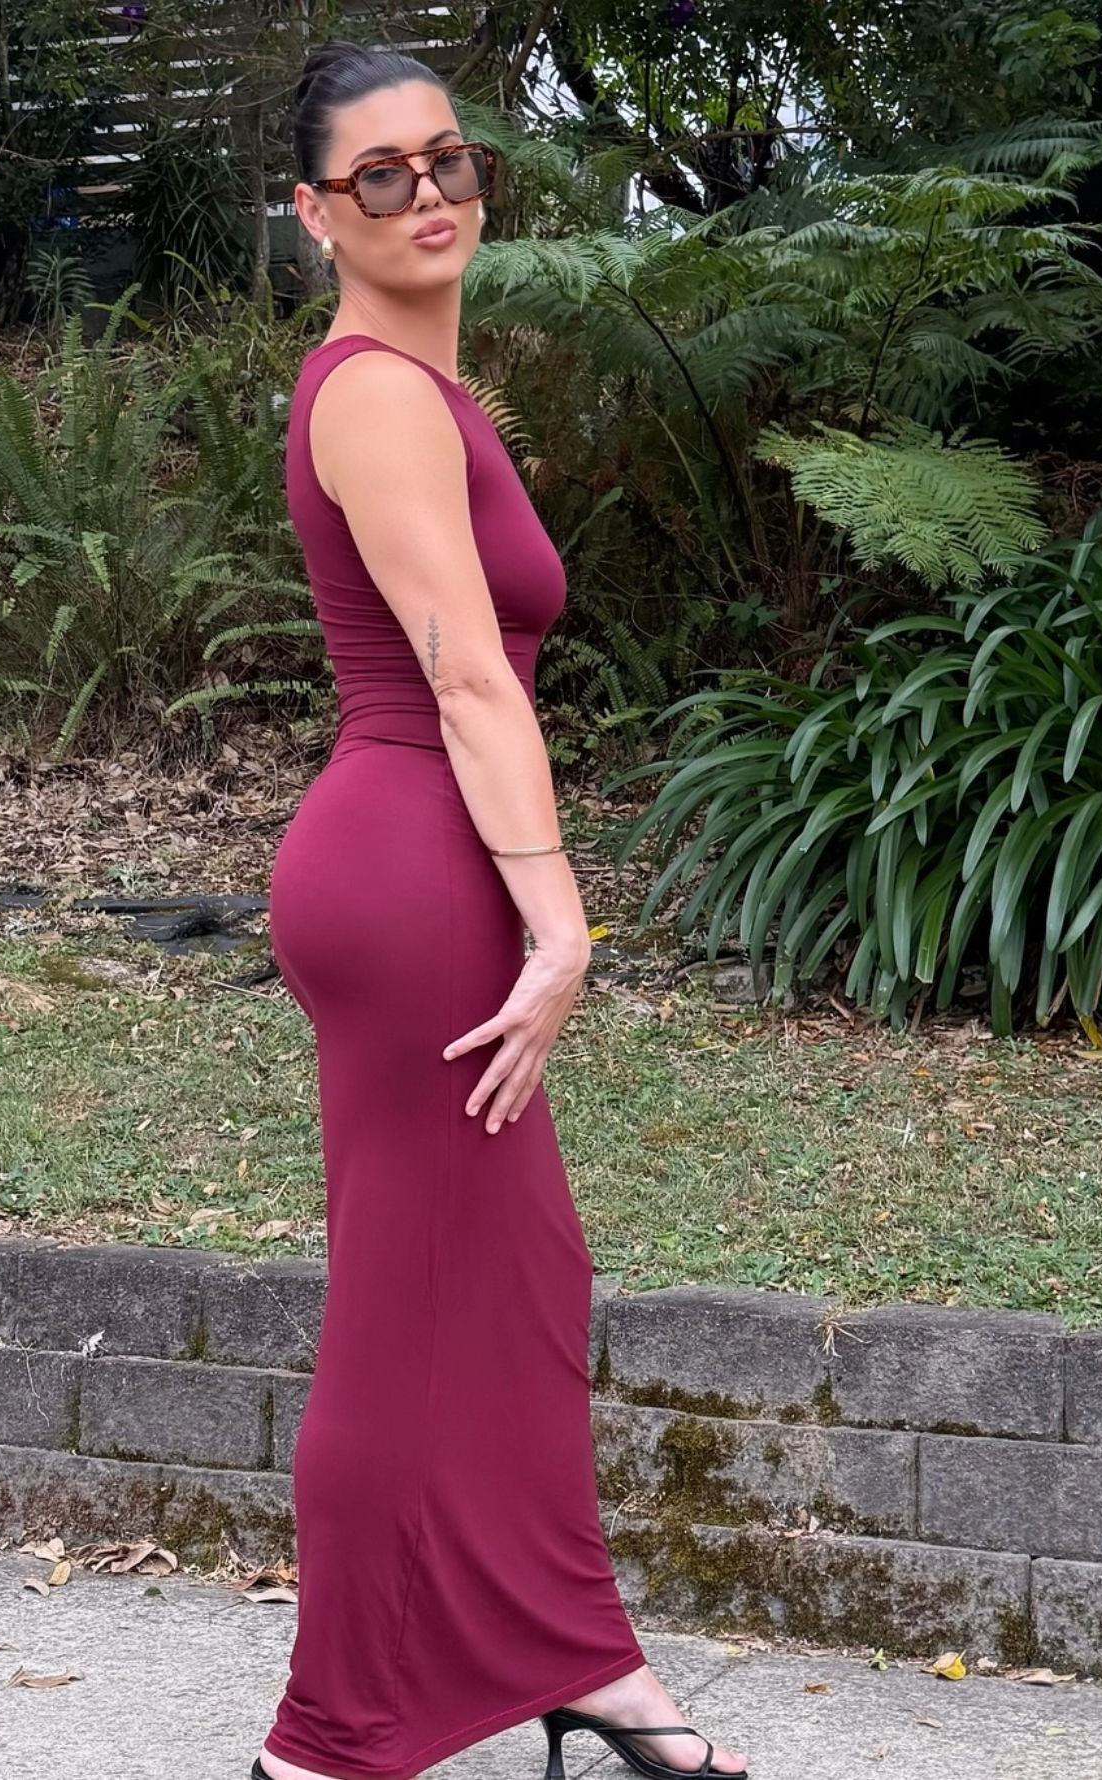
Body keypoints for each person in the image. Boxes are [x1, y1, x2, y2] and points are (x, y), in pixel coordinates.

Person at [256, 38, 751, 1780]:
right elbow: (471, 673)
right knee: (409, 1303)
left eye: (448, 160)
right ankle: (324, 1740)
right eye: (378, 175)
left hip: (420, 857)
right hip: (417, 874)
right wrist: (563, 923)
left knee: (525, 1274)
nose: (427, 195)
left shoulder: (421, 383)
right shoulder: (377, 393)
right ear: (317, 214)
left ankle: (577, 1654)